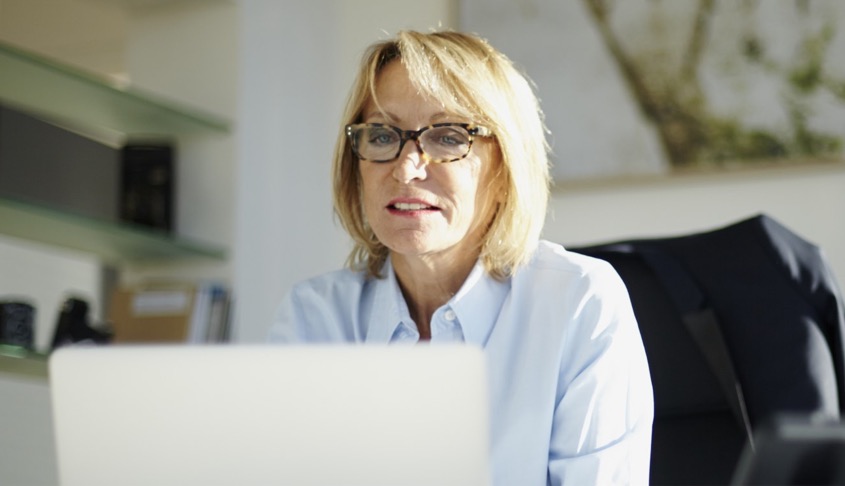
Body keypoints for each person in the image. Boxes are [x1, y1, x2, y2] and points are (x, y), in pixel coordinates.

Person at [269, 30, 654, 485]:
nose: (407, 168)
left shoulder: (578, 301)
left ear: (506, 163)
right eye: (381, 135)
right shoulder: (316, 317)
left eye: (448, 137)